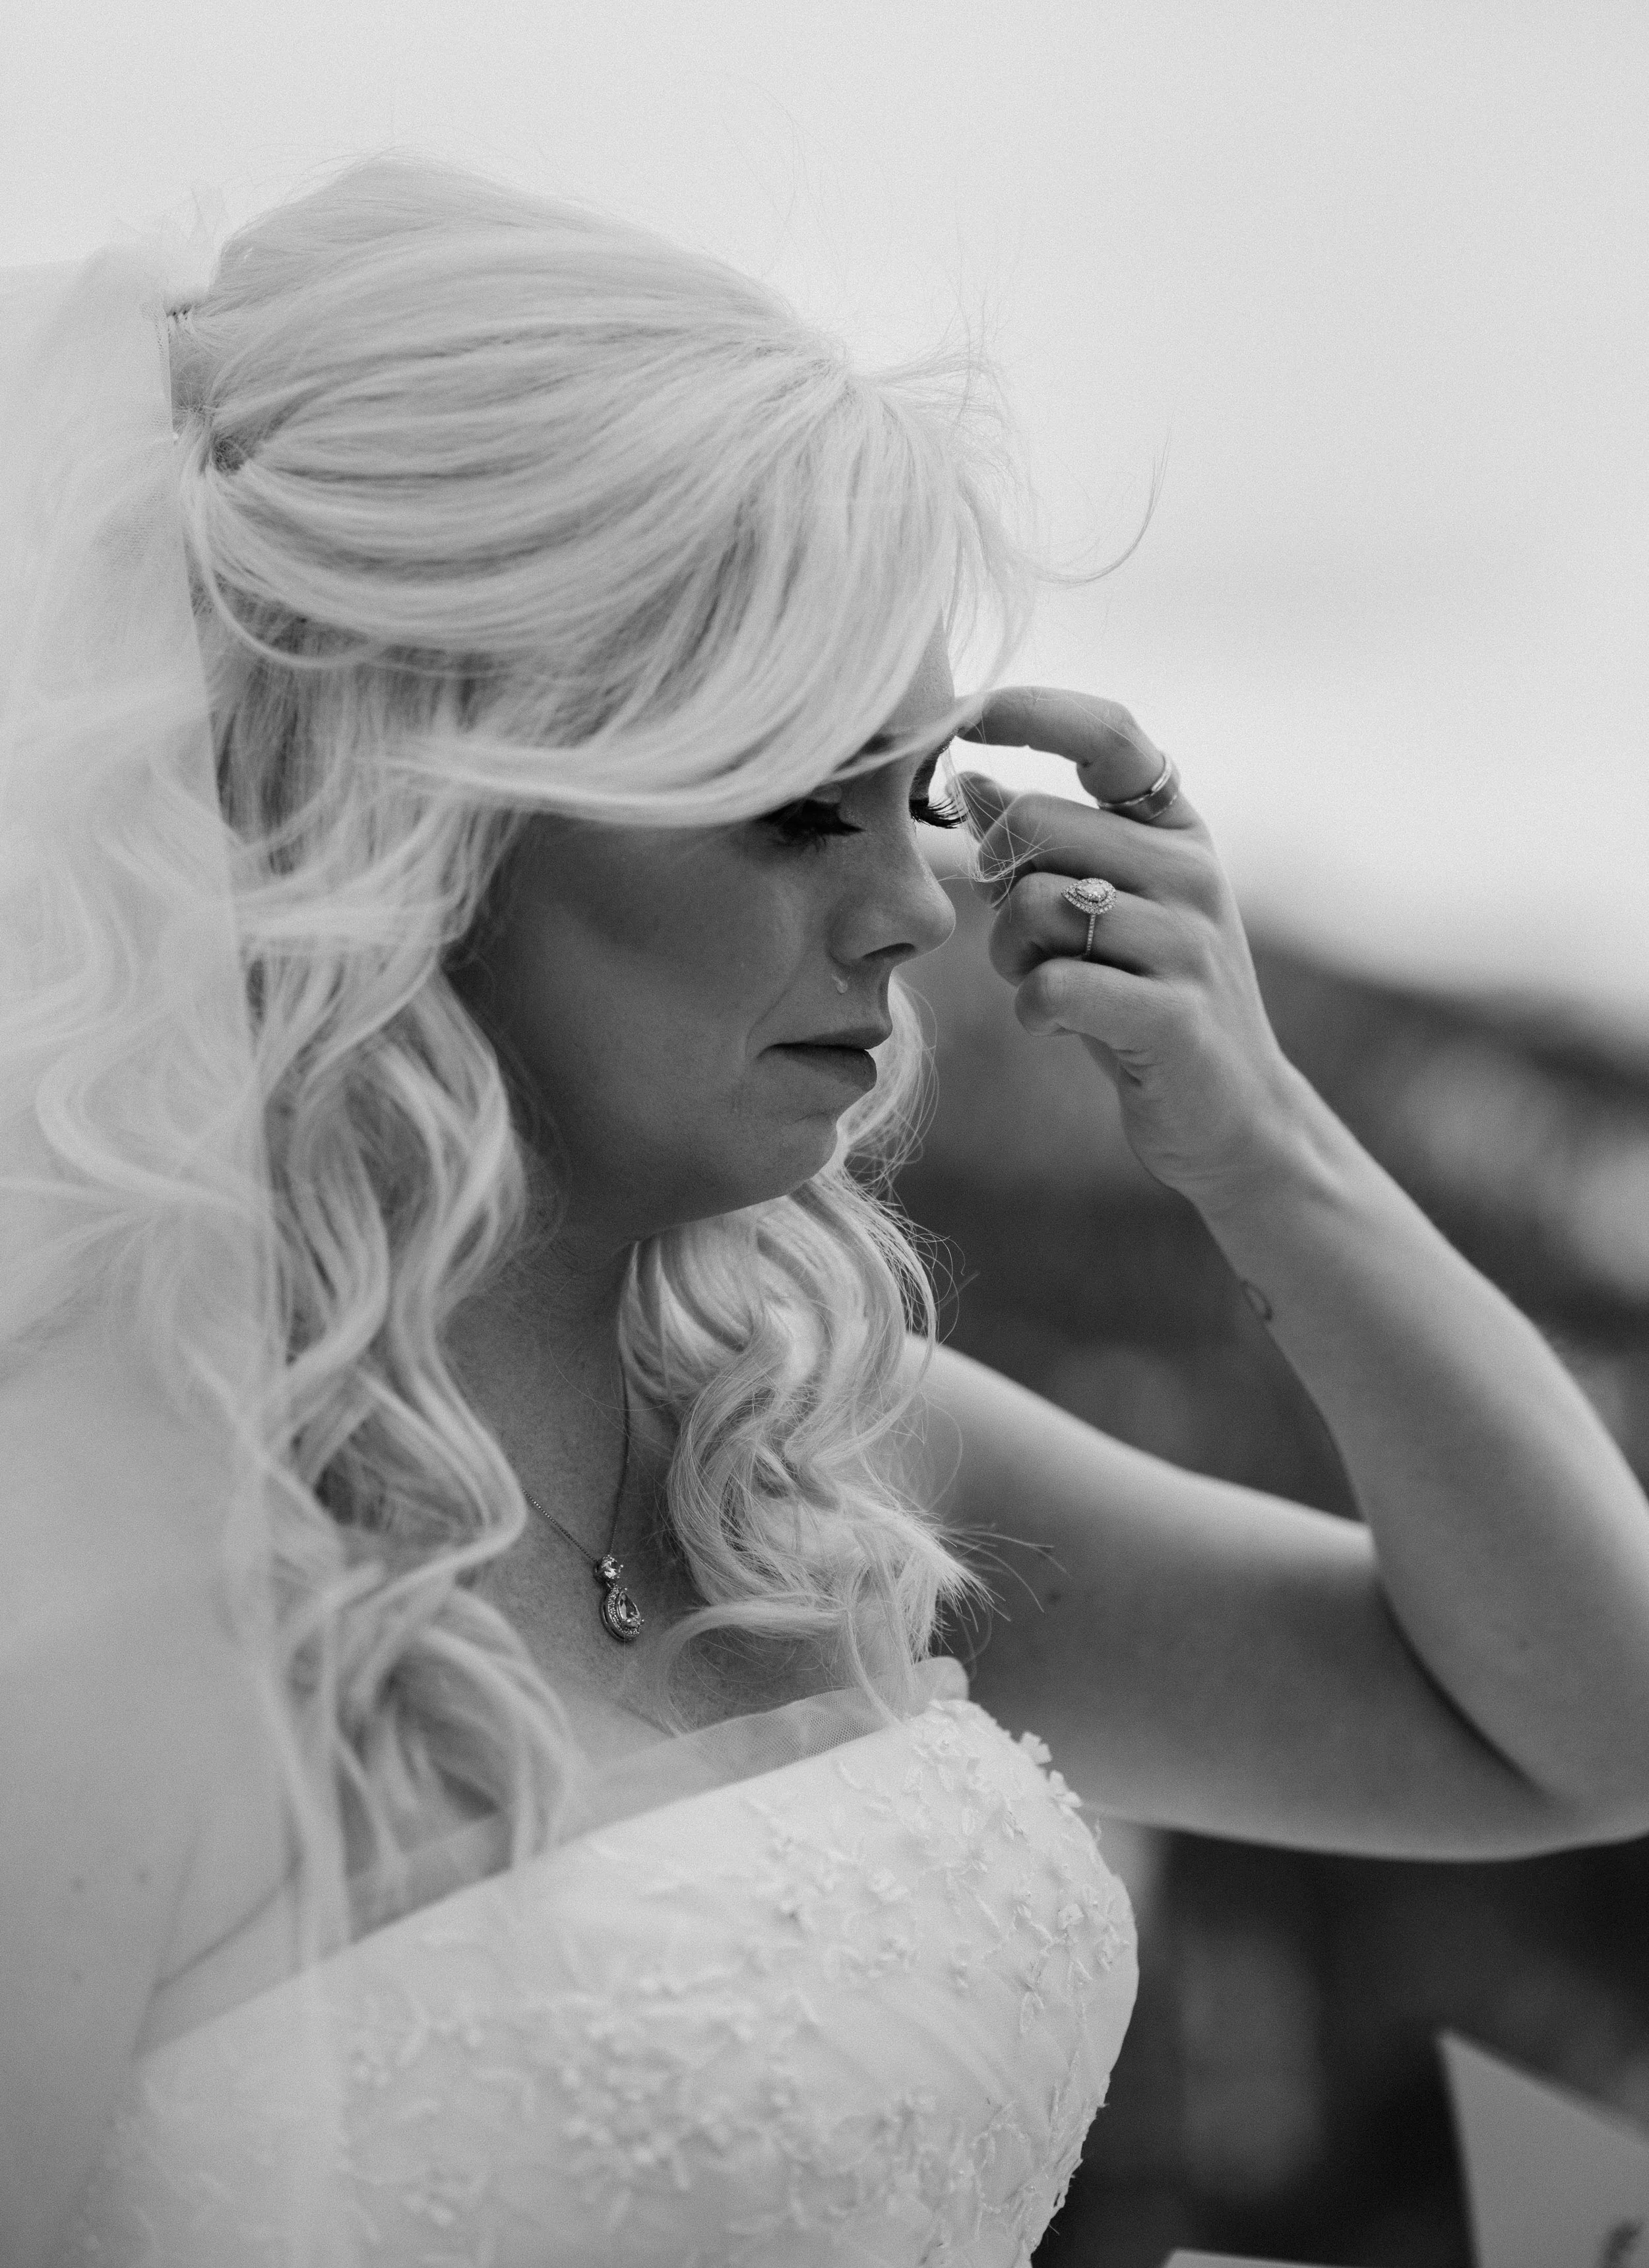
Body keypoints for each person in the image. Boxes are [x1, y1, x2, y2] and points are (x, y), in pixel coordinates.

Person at [3, 152, 1647, 2268]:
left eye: (915, 794)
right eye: (792, 804)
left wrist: (1263, 1141)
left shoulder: (804, 1454)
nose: (907, 912)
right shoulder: (80, 1587)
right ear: (422, 828)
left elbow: (1579, 1730)